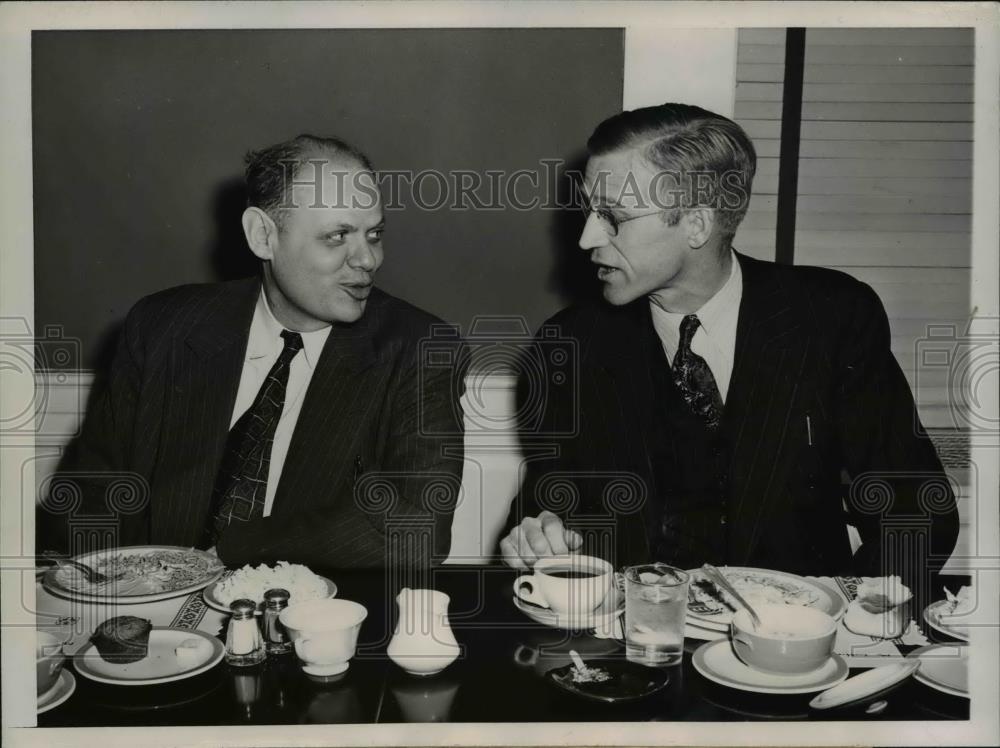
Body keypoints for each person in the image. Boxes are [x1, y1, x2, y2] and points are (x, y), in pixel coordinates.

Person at [500, 103, 958, 603]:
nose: (588, 236)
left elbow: (917, 513)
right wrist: (534, 537)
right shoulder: (568, 345)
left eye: (613, 217)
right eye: (588, 210)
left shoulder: (833, 319)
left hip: (797, 651)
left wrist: (849, 620)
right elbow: (546, 506)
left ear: (696, 224)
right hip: (638, 646)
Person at [39, 134, 465, 571]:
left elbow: (418, 527)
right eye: (337, 236)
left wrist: (236, 549)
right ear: (263, 236)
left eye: (373, 233)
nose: (367, 259)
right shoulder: (162, 328)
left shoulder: (418, 347)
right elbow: (90, 498)